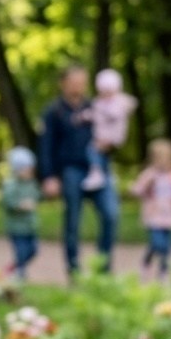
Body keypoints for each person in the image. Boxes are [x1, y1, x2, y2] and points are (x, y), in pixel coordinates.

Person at [37, 64, 118, 277]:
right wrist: (48, 177)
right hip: (71, 171)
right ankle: (74, 271)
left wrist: (111, 143)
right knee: (72, 223)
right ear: (63, 83)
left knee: (111, 215)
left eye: (82, 82)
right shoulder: (53, 112)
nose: (78, 87)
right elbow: (45, 146)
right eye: (74, 82)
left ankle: (103, 268)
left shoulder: (97, 107)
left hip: (99, 169)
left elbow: (114, 129)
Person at [130, 139, 171, 281]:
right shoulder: (149, 175)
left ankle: (163, 272)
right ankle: (147, 262)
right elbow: (136, 191)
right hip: (153, 217)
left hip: (169, 218)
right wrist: (146, 185)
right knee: (157, 244)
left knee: (167, 248)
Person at [82, 69, 137, 192]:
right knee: (101, 155)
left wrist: (104, 108)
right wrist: (83, 116)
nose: (105, 94)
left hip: (113, 136)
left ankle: (97, 173)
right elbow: (94, 114)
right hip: (102, 135)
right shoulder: (100, 102)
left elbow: (115, 114)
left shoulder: (120, 102)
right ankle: (107, 175)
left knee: (92, 151)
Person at [1, 146, 40, 281]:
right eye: (26, 168)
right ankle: (20, 275)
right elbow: (8, 202)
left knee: (33, 250)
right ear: (17, 169)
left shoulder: (31, 184)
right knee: (21, 252)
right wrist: (20, 205)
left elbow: (37, 197)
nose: (29, 171)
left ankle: (14, 268)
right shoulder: (11, 185)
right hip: (16, 227)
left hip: (30, 226)